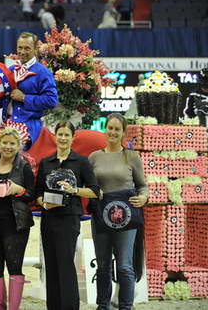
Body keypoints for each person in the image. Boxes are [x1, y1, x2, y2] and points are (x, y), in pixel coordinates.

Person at [35, 120, 100, 310]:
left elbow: (94, 190)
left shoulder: (81, 162)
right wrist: (43, 203)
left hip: (69, 219)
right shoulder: (46, 162)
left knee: (65, 264)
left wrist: (74, 190)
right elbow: (38, 192)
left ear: (73, 137)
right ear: (55, 136)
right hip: (49, 219)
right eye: (60, 134)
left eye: (66, 135)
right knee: (52, 266)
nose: (63, 138)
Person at [88, 113, 148, 310]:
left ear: (123, 132)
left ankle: (126, 306)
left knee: (124, 266)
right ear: (106, 129)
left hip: (127, 219)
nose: (112, 132)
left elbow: (142, 186)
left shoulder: (132, 156)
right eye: (110, 128)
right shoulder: (94, 157)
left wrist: (144, 197)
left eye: (117, 129)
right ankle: (102, 306)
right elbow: (88, 186)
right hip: (100, 218)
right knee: (103, 265)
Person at [0, 32, 58, 149]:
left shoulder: (43, 72)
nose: (22, 52)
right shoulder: (12, 70)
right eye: (20, 47)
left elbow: (52, 100)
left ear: (35, 50)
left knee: (6, 150)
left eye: (27, 48)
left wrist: (24, 98)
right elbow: (2, 98)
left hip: (27, 125)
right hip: (7, 123)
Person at [0, 127, 35, 310]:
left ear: (19, 146)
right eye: (5, 142)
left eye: (12, 143)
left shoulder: (24, 167)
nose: (8, 147)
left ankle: (13, 308)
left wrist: (19, 190)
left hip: (16, 224)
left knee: (14, 267)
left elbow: (33, 194)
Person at [183, 67, 208, 147]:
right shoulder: (193, 95)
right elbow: (188, 113)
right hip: (199, 132)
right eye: (204, 87)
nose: (206, 89)